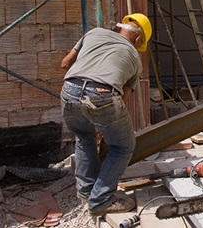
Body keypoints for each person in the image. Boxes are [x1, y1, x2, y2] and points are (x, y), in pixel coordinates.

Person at [60, 13, 152, 217]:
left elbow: (65, 63)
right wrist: (107, 123)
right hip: (102, 94)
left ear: (121, 28)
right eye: (139, 44)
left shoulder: (93, 33)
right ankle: (100, 200)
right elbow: (123, 98)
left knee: (84, 138)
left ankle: (85, 193)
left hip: (69, 90)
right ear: (138, 39)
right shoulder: (134, 58)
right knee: (123, 146)